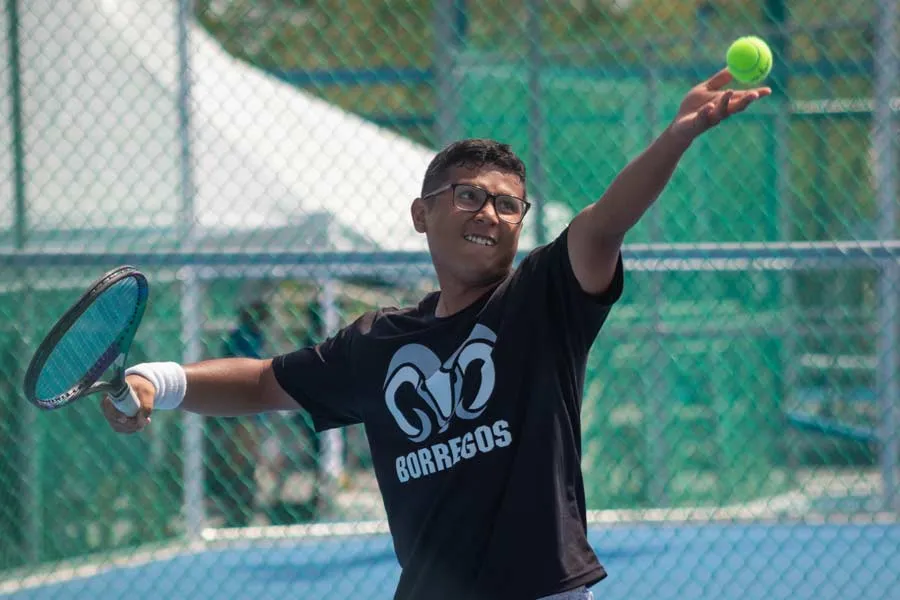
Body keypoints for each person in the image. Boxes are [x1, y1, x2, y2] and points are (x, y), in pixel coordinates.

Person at [102, 70, 769, 600]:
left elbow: (603, 225)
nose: (491, 213)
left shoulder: (542, 301)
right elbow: (265, 381)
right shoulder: (377, 343)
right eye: (470, 195)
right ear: (422, 215)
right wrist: (156, 378)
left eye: (509, 204)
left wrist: (678, 135)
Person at [205, 299, 270, 527]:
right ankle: (238, 508)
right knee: (239, 460)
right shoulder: (241, 339)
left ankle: (243, 508)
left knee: (247, 462)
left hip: (250, 412)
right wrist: (245, 418)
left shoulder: (254, 337)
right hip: (242, 412)